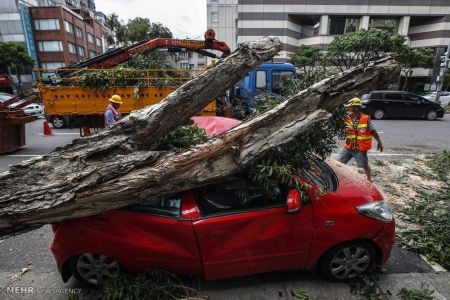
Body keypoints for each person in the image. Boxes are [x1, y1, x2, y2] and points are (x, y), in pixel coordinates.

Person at [336, 97, 383, 182]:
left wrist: (379, 142)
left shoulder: (365, 119)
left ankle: (369, 179)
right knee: (338, 162)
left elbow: (373, 131)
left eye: (350, 107)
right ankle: (338, 178)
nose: (348, 109)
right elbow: (343, 131)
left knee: (364, 165)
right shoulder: (346, 118)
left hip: (359, 149)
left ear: (356, 108)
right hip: (348, 146)